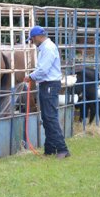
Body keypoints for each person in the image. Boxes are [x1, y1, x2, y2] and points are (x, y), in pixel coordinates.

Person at [24, 26, 70, 159]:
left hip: (49, 84)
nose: (32, 42)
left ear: (38, 36)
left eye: (32, 39)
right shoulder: (45, 47)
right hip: (47, 85)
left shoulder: (48, 48)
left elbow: (43, 70)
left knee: (50, 117)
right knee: (47, 118)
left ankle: (62, 149)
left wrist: (31, 76)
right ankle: (50, 149)